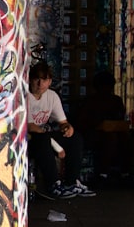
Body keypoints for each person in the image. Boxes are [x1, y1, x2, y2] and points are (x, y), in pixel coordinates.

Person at [27, 61, 95, 199]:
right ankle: (53, 184)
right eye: (37, 79)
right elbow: (30, 126)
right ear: (30, 79)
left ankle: (72, 182)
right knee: (43, 138)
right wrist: (57, 148)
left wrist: (67, 128)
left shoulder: (51, 96)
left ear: (50, 81)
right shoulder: (24, 95)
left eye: (44, 80)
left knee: (75, 139)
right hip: (27, 140)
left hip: (44, 136)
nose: (40, 84)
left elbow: (62, 122)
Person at [76, 69, 131, 182]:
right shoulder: (90, 101)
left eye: (109, 86)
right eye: (105, 86)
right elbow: (81, 122)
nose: (107, 89)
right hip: (94, 134)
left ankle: (125, 172)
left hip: (114, 131)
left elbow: (120, 117)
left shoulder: (116, 100)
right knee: (111, 138)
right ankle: (103, 174)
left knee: (125, 137)